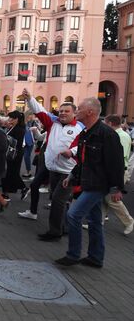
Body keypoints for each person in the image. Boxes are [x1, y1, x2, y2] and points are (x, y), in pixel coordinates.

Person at [56, 98, 124, 268]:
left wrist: (117, 188)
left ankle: (73, 255)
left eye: (79, 109)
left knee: (73, 215)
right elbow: (83, 160)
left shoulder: (107, 134)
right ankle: (95, 258)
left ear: (90, 112)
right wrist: (72, 176)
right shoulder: (86, 133)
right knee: (94, 221)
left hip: (98, 184)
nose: (76, 111)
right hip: (89, 182)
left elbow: (116, 163)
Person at [23, 89, 84, 242]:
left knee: (58, 201)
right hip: (53, 169)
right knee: (59, 200)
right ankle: (65, 227)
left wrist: (72, 152)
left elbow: (84, 145)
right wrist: (30, 98)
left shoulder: (80, 127)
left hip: (68, 171)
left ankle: (55, 232)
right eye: (61, 110)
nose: (62, 113)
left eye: (66, 111)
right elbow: (40, 110)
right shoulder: (53, 122)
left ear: (74, 114)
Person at [101, 115, 134, 234]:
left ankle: (129, 221)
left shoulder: (121, 136)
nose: (103, 125)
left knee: (112, 199)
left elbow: (118, 158)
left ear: (110, 123)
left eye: (105, 122)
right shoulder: (118, 135)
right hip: (114, 171)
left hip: (119, 171)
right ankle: (99, 222)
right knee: (104, 198)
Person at [1, 111, 27, 200]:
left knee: (12, 173)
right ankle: (7, 192)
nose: (9, 120)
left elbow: (17, 143)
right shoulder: (14, 128)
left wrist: (6, 138)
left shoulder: (19, 129)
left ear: (16, 119)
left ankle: (22, 188)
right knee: (10, 173)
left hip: (15, 153)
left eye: (11, 118)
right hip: (12, 152)